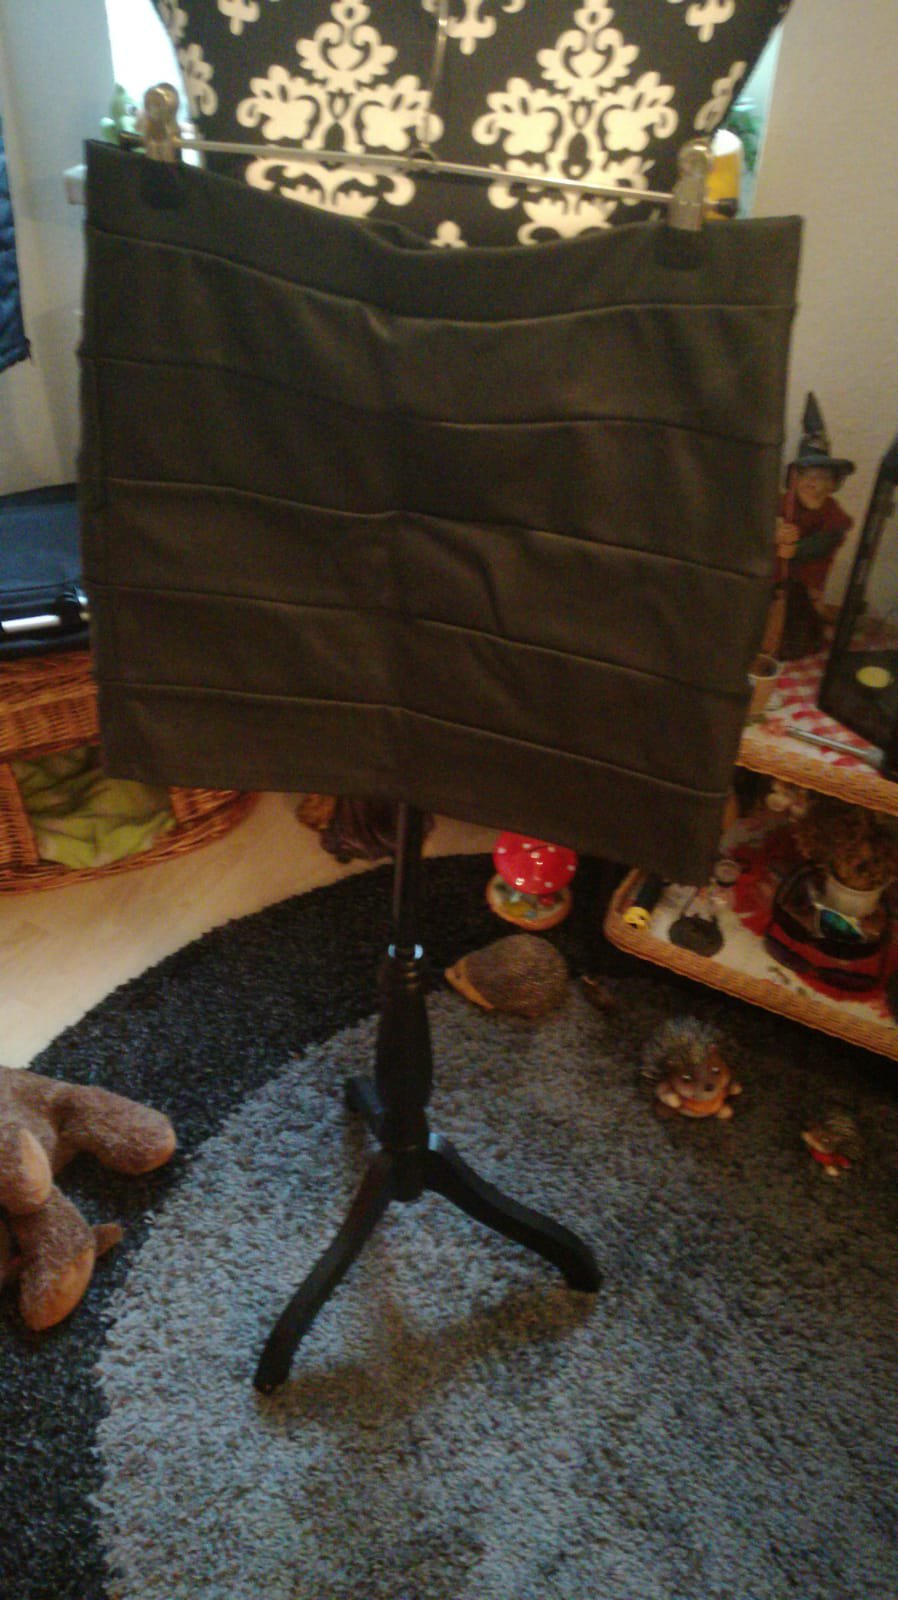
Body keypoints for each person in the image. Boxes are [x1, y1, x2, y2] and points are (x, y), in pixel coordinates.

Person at [771, 393, 855, 658]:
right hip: (775, 583)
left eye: (822, 477)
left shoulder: (834, 516)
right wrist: (774, 533)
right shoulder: (781, 504)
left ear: (832, 484)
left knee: (801, 622)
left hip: (805, 587)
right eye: (807, 476)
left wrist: (793, 549)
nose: (813, 484)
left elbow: (822, 544)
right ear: (794, 480)